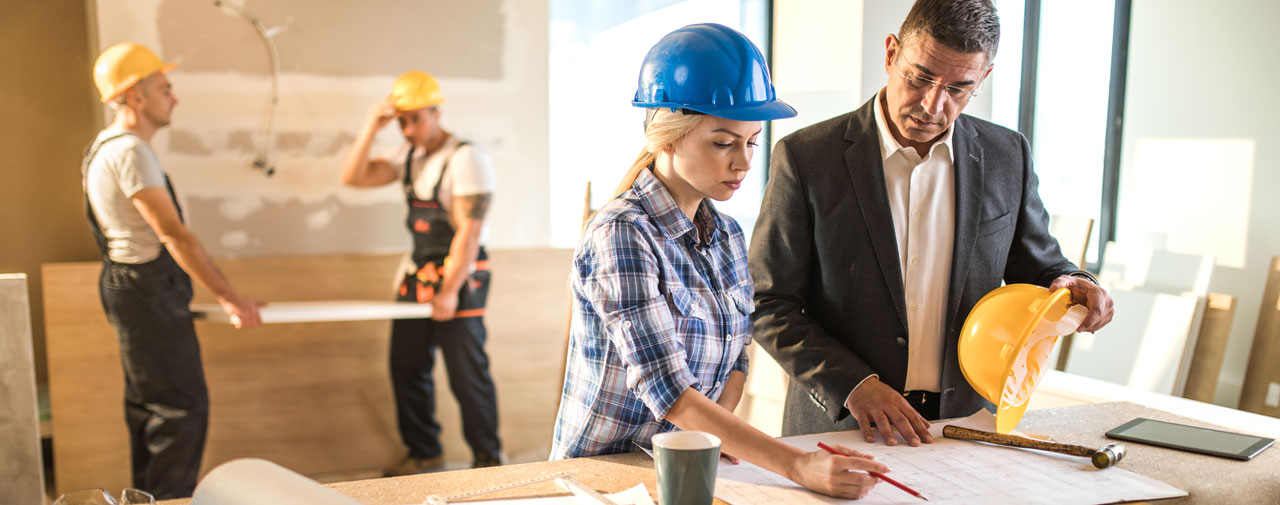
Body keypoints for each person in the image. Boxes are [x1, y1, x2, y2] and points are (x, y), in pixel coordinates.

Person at [750, 0, 1115, 447]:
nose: (932, 105)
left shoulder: (1007, 156)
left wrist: (1076, 283)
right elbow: (769, 302)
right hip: (842, 426)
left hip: (968, 427)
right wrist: (854, 385)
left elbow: (1041, 271)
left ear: (984, 78)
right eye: (919, 77)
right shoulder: (806, 158)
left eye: (959, 88)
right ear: (890, 54)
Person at [550, 23, 889, 500]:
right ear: (667, 136)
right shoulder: (621, 234)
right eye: (723, 142)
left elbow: (736, 358)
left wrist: (720, 437)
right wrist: (797, 465)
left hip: (685, 471)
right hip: (606, 482)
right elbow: (670, 393)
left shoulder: (727, 234)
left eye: (752, 142)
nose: (745, 163)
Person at [83, 42, 264, 499]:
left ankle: (148, 499)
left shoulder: (101, 148)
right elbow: (174, 236)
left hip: (128, 288)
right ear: (136, 98)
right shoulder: (132, 152)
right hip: (146, 291)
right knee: (180, 410)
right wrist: (230, 297)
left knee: (150, 410)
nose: (174, 98)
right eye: (165, 88)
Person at [339, 70, 501, 474]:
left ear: (436, 112)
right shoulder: (406, 157)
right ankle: (424, 453)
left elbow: (470, 229)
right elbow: (352, 177)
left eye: (416, 119)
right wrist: (371, 127)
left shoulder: (466, 158)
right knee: (406, 367)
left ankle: (488, 460)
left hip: (461, 275)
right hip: (417, 274)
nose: (408, 129)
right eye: (401, 121)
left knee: (467, 375)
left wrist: (448, 291)